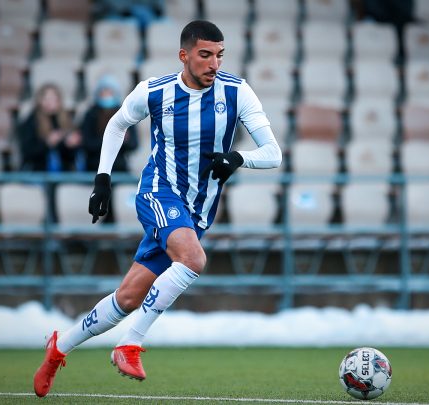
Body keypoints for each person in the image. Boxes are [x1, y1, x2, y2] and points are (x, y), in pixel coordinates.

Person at [33, 20, 282, 397]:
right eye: (205, 55)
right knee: (194, 260)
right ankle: (130, 344)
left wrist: (237, 158)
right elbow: (116, 125)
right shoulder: (154, 91)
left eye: (219, 55)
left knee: (129, 298)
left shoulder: (237, 92)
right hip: (158, 193)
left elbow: (273, 153)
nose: (214, 63)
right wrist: (103, 178)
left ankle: (59, 347)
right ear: (184, 55)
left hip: (197, 211)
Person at [18, 83, 83, 172]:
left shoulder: (65, 120)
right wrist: (47, 143)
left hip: (63, 173)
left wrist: (71, 145)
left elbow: (70, 157)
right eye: (47, 98)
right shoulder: (31, 121)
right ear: (40, 100)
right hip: (38, 171)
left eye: (54, 98)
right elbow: (27, 152)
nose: (50, 102)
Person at [80, 74, 138, 173]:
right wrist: (114, 139)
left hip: (119, 169)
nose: (106, 95)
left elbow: (134, 144)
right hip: (94, 168)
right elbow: (87, 143)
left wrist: (125, 141)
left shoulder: (125, 114)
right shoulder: (91, 115)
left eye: (110, 92)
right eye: (103, 92)